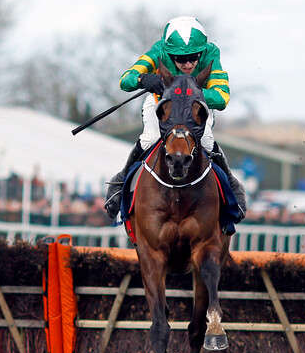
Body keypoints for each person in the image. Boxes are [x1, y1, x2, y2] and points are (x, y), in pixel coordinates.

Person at [104, 16, 247, 225]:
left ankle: (232, 184)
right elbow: (125, 80)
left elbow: (222, 97)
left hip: (195, 108)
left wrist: (188, 95)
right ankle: (121, 179)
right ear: (170, 53)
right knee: (150, 137)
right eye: (180, 59)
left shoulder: (211, 53)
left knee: (206, 141)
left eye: (193, 57)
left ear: (201, 51)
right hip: (163, 107)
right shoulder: (159, 51)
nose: (188, 63)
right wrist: (142, 79)